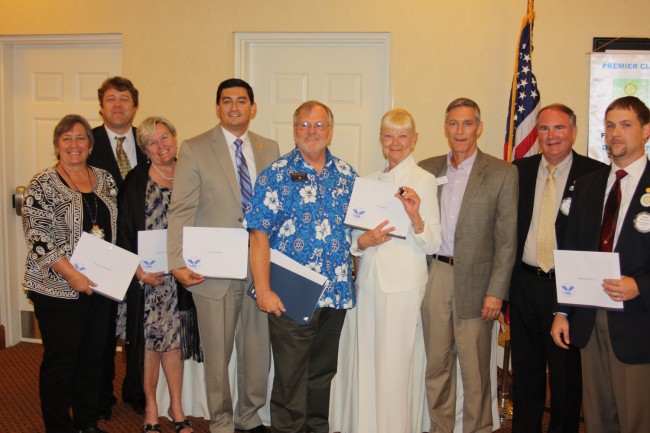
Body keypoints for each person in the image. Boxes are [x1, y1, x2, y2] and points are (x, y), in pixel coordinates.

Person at [167, 78, 279, 433]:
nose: (234, 107)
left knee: (257, 350)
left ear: (253, 107)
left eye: (241, 100)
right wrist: (176, 262)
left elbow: (278, 209)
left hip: (260, 266)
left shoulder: (269, 147)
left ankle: (249, 416)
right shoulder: (196, 148)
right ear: (218, 108)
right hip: (213, 270)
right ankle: (221, 421)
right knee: (218, 353)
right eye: (227, 101)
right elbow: (181, 209)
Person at [247, 100, 357, 433]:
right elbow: (258, 236)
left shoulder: (348, 175)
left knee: (321, 375)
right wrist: (263, 289)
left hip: (335, 294)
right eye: (304, 125)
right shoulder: (275, 175)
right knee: (291, 378)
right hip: (290, 295)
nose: (312, 132)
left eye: (319, 125)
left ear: (331, 130)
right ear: (294, 131)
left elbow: (358, 232)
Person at [551, 96, 650, 433]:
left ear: (646, 131)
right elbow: (570, 246)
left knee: (637, 419)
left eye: (625, 125)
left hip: (638, 323)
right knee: (597, 418)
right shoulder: (590, 184)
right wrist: (562, 311)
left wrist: (640, 285)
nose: (615, 133)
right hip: (590, 320)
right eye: (610, 126)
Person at [418, 97, 518, 433]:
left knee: (475, 370)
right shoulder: (427, 169)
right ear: (445, 127)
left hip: (478, 284)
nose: (460, 131)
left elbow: (506, 241)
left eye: (467, 123)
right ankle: (440, 428)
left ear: (479, 127)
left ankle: (477, 429)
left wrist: (496, 292)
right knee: (437, 365)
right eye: (453, 124)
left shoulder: (503, 173)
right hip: (435, 276)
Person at [510, 104, 605, 433]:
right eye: (545, 129)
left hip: (568, 287)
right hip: (524, 283)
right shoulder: (519, 170)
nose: (551, 136)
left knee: (565, 375)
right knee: (525, 369)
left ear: (574, 132)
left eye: (559, 128)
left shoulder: (596, 175)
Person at [21, 114, 118, 433]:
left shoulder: (105, 179)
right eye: (67, 138)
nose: (74, 144)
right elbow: (38, 236)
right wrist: (72, 274)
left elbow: (113, 229)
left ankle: (87, 423)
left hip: (99, 285)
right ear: (57, 145)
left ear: (90, 145)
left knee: (92, 359)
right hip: (55, 288)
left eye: (80, 138)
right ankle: (59, 427)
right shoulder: (42, 183)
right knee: (61, 362)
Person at [350, 108, 441, 433]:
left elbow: (432, 243)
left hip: (403, 284)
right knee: (369, 361)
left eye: (403, 136)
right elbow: (354, 242)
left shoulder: (424, 181)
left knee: (396, 365)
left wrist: (415, 218)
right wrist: (364, 241)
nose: (396, 142)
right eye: (389, 135)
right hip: (369, 282)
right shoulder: (368, 180)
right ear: (381, 140)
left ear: (414, 139)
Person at [116, 117, 202, 433]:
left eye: (165, 137)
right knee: (151, 345)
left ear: (175, 138)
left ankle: (176, 407)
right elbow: (122, 231)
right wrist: (138, 272)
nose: (161, 145)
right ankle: (151, 407)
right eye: (152, 142)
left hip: (181, 280)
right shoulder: (136, 181)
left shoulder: (190, 174)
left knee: (175, 343)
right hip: (149, 283)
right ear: (145, 149)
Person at [88, 76, 148, 419]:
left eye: (125, 99)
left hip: (141, 249)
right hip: (102, 251)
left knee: (138, 327)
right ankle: (100, 396)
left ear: (134, 106)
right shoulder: (88, 141)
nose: (118, 105)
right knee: (103, 328)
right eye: (111, 99)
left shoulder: (146, 141)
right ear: (102, 106)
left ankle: (136, 391)